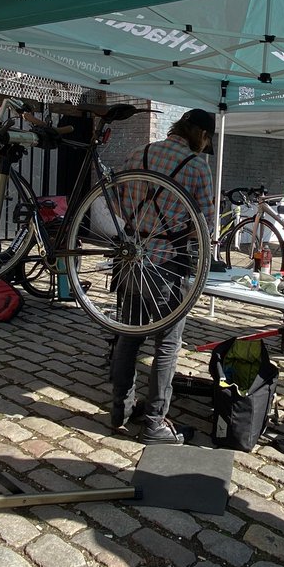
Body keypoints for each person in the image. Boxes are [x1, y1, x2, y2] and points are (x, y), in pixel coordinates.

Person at [110, 108, 215, 446]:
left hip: (131, 258)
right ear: (200, 133)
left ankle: (120, 411)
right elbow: (207, 224)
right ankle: (155, 423)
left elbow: (118, 200)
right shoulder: (197, 166)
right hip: (168, 265)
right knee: (167, 343)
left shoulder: (137, 153)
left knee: (130, 336)